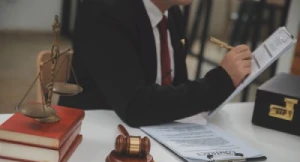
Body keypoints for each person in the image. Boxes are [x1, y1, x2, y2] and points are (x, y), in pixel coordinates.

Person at [58, 0, 252, 127]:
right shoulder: (104, 10)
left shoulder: (172, 13)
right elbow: (135, 106)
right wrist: (219, 82)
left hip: (151, 133)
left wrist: (228, 80)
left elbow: (176, 87)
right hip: (94, 136)